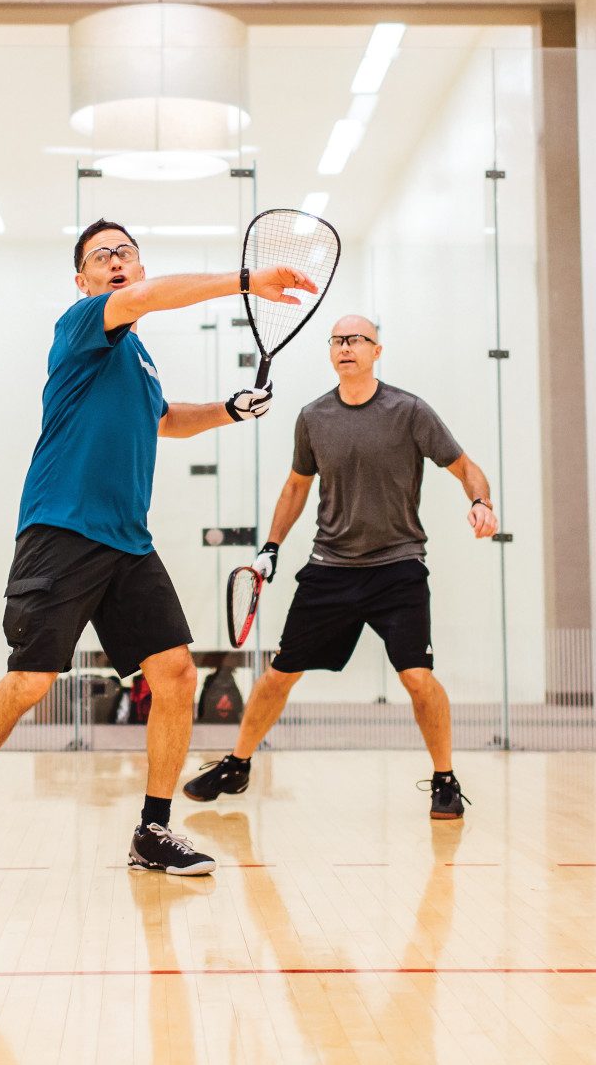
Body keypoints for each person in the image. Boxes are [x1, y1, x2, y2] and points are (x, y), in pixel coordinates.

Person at [0, 220, 318, 886]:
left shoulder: (139, 359)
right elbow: (152, 298)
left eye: (126, 252)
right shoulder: (83, 324)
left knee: (177, 673)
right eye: (103, 255)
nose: (117, 261)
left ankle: (153, 829)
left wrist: (231, 408)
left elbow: (165, 419)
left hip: (128, 541)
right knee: (31, 681)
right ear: (84, 280)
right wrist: (246, 282)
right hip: (61, 529)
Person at [183, 315, 497, 819]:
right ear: (330, 352)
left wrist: (480, 500)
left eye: (357, 340)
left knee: (417, 677)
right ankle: (237, 765)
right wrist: (270, 547)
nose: (346, 347)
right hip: (330, 568)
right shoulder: (313, 417)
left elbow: (464, 466)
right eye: (338, 340)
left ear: (377, 351)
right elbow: (296, 488)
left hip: (398, 568)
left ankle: (444, 778)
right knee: (280, 674)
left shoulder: (410, 411)